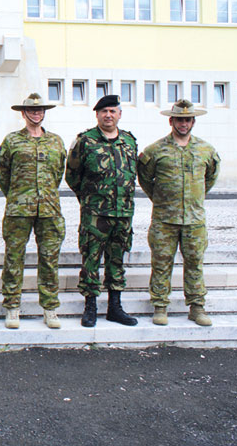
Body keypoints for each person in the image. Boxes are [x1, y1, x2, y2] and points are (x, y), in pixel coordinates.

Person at [138, 99, 220, 327]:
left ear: (193, 121)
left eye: (187, 119)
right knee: (161, 263)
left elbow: (210, 178)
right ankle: (160, 305)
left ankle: (197, 307)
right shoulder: (155, 151)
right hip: (165, 220)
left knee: (195, 262)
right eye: (179, 119)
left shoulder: (206, 150)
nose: (183, 123)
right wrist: (162, 199)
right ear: (171, 121)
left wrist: (193, 198)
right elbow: (145, 178)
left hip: (194, 220)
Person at [65, 94, 139, 328]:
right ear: (97, 114)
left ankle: (115, 307)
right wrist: (88, 199)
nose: (108, 115)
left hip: (123, 214)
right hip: (95, 215)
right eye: (104, 111)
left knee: (117, 260)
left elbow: (134, 173)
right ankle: (90, 307)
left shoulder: (129, 141)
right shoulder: (85, 141)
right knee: (91, 259)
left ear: (119, 114)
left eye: (112, 111)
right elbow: (72, 175)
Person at [0, 93, 66, 330]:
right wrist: (18, 196)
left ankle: (49, 308)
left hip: (49, 209)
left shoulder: (56, 142)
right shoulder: (12, 141)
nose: (36, 114)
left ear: (44, 113)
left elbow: (59, 173)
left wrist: (44, 194)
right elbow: (3, 175)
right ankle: (12, 306)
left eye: (40, 111)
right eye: (31, 111)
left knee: (49, 259)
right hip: (19, 209)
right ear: (23, 113)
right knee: (14, 258)